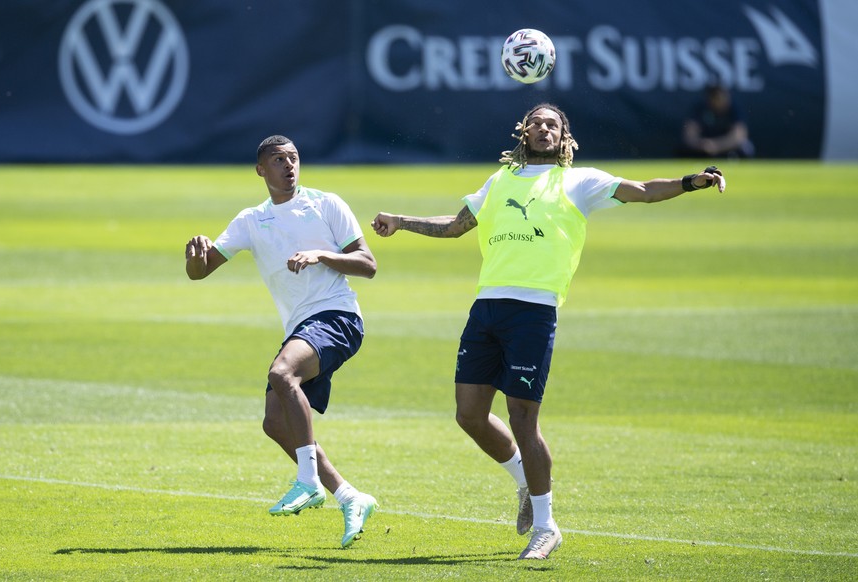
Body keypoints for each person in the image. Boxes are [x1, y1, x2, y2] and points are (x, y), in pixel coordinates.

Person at [371, 103, 726, 560]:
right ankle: (524, 482)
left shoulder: (581, 182)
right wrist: (402, 222)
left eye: (552, 125)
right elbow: (458, 225)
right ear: (523, 133)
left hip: (534, 312)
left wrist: (690, 182)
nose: (544, 129)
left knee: (523, 418)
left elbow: (644, 191)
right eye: (536, 123)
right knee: (469, 414)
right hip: (487, 307)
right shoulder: (499, 182)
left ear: (564, 139)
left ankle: (545, 525)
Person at [185, 135, 379, 548]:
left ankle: (308, 481)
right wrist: (194, 256)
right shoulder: (251, 220)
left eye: (293, 158)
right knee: (275, 422)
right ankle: (350, 496)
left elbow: (368, 264)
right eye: (278, 160)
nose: (289, 166)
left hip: (337, 315)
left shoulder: (326, 203)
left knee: (281, 372)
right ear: (261, 170)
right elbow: (201, 272)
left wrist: (321, 255)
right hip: (302, 327)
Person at [680, 83, 754, 158]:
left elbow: (739, 137)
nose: (721, 100)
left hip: (726, 148)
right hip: (703, 149)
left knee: (746, 149)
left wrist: (716, 145)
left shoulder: (733, 109)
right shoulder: (700, 108)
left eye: (723, 97)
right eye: (716, 97)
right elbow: (690, 135)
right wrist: (703, 145)